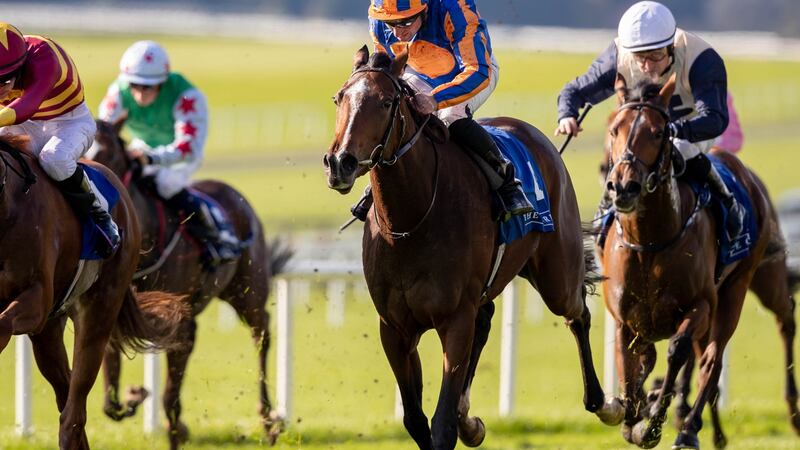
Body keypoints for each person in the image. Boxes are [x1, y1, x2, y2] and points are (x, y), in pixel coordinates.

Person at [555, 1, 745, 241]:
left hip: (691, 126)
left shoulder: (702, 60)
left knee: (680, 150)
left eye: (655, 56)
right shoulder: (617, 56)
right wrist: (567, 115)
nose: (646, 65)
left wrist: (675, 129)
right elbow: (573, 91)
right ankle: (605, 208)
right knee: (624, 156)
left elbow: (716, 119)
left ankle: (727, 201)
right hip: (643, 130)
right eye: (639, 57)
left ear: (671, 46)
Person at [351, 0, 533, 222]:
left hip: (470, 71)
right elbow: (390, 70)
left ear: (425, 9)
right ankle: (377, 186)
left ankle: (507, 183)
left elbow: (478, 71)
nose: (399, 32)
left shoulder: (455, 8)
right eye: (391, 24)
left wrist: (436, 100)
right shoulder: (379, 19)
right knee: (394, 114)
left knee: (450, 117)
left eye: (406, 21)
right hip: (420, 72)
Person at [98, 40, 240, 264]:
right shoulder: (118, 91)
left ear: (162, 83)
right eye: (134, 85)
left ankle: (217, 235)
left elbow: (187, 148)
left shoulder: (188, 97)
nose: (139, 94)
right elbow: (104, 131)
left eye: (148, 87)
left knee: (165, 183)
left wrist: (152, 158)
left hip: (180, 155)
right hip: (141, 147)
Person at [0, 22, 119, 257]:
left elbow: (27, 105)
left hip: (69, 122)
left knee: (54, 159)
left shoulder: (44, 56)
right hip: (20, 123)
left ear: (20, 68)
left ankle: (100, 216)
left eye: (3, 83)